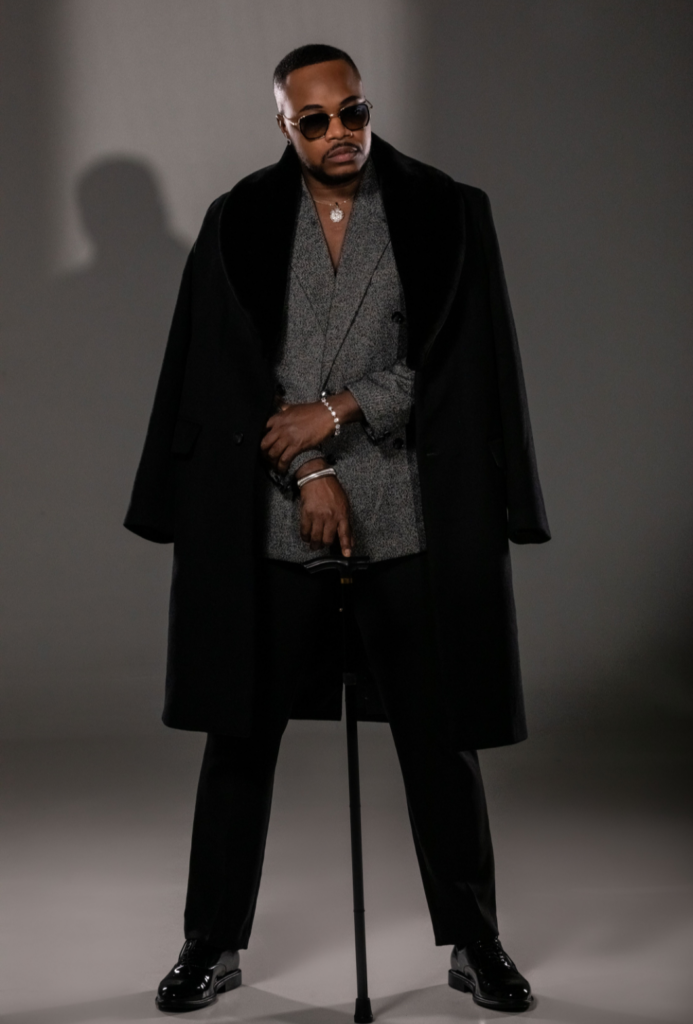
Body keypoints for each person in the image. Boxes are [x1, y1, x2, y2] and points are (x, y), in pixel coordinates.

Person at [124, 43, 550, 1015]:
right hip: (274, 514)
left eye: (351, 111)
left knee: (439, 738)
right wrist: (309, 463)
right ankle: (210, 941)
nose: (338, 133)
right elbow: (227, 372)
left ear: (366, 106)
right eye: (312, 120)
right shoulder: (240, 219)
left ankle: (475, 940)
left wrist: (341, 408)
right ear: (284, 124)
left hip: (407, 511)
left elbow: (457, 362)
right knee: (240, 736)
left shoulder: (446, 212)